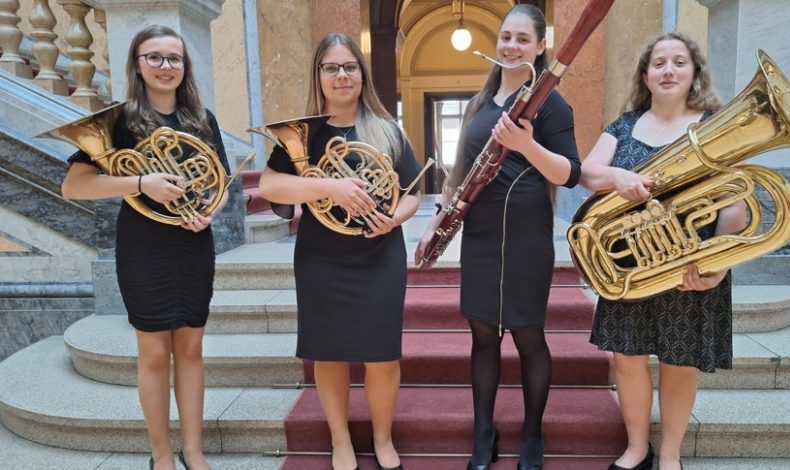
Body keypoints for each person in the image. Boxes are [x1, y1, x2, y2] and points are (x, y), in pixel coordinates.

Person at [414, 5, 581, 470]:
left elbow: (570, 173)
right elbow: (459, 174)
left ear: (541, 46)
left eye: (522, 39)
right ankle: (483, 433)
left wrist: (527, 145)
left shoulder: (551, 103)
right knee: (483, 335)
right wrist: (435, 221)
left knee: (529, 336)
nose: (511, 46)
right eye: (506, 37)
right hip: (482, 235)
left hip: (528, 234)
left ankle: (532, 433)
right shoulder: (478, 104)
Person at [61, 25, 230, 470]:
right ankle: (161, 454)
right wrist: (140, 182)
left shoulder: (201, 119)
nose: (165, 66)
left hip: (193, 243)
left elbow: (221, 181)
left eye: (174, 58)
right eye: (154, 57)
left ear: (185, 67)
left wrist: (210, 209)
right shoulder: (118, 120)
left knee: (191, 349)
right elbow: (74, 186)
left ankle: (193, 450)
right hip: (144, 246)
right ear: (137, 64)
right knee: (154, 352)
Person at [579, 32, 746, 470]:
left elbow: (736, 200)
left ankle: (670, 454)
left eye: (678, 62)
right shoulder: (623, 126)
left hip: (692, 263)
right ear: (645, 75)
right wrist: (616, 177)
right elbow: (587, 172)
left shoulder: (715, 125)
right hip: (631, 266)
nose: (668, 70)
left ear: (694, 73)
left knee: (680, 359)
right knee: (627, 358)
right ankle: (637, 448)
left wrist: (719, 263)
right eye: (658, 63)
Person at [259, 33, 421, 470]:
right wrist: (329, 186)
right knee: (328, 354)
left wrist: (396, 218)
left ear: (361, 73)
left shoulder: (386, 130)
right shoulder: (303, 134)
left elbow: (412, 194)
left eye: (349, 66)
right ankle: (341, 441)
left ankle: (383, 440)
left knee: (382, 356)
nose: (341, 75)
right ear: (319, 75)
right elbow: (270, 186)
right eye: (331, 67)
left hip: (379, 254)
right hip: (322, 257)